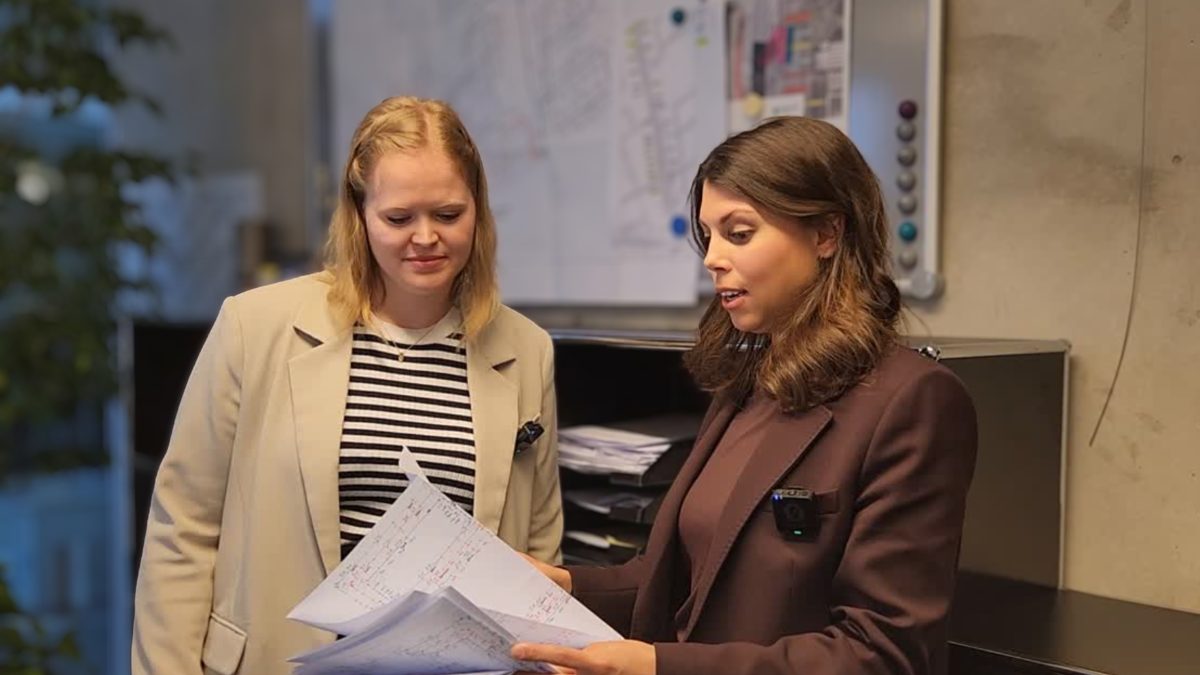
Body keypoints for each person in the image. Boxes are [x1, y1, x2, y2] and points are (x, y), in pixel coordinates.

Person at [513, 116, 978, 675]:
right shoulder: (750, 381)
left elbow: (882, 652)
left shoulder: (914, 403)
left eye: (739, 233)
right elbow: (685, 580)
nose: (712, 257)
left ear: (827, 234)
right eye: (708, 236)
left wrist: (660, 667)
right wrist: (563, 583)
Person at [132, 96, 564, 675]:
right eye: (399, 218)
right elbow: (182, 530)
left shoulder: (526, 349)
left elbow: (538, 553)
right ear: (359, 215)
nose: (426, 237)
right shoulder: (255, 326)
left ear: (479, 214)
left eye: (448, 213)